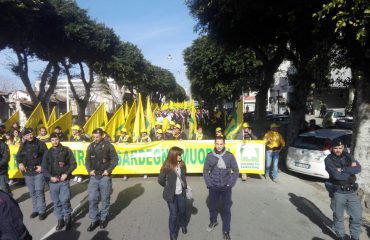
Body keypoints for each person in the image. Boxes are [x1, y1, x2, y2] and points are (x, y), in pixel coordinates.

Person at [324, 140, 362, 240]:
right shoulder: (328, 160)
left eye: (340, 148)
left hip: (352, 192)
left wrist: (343, 170)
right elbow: (337, 176)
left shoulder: (349, 156)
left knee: (357, 216)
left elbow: (358, 169)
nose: (338, 150)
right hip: (338, 192)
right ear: (331, 148)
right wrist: (349, 169)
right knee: (338, 217)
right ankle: (341, 236)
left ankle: (355, 238)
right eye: (335, 148)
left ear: (343, 148)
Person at [203, 136, 239, 240]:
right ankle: (213, 221)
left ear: (224, 144)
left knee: (226, 209)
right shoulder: (210, 156)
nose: (219, 146)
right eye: (217, 144)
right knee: (213, 207)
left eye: (221, 144)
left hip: (226, 187)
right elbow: (205, 171)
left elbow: (236, 170)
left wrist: (230, 184)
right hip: (213, 186)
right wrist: (209, 184)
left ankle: (226, 231)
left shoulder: (229, 156)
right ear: (214, 144)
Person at [42, 133, 77, 231]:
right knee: (56, 202)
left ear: (59, 139)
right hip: (53, 182)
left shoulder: (66, 150)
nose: (55, 142)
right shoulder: (47, 153)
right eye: (52, 140)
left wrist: (66, 173)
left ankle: (68, 218)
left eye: (56, 139)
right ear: (50, 141)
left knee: (65, 200)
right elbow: (44, 168)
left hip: (63, 181)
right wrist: (50, 177)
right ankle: (60, 220)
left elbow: (73, 164)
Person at [85, 128, 118, 232]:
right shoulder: (91, 146)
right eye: (94, 137)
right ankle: (94, 220)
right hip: (94, 177)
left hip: (104, 176)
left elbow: (114, 159)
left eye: (97, 137)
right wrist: (89, 170)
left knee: (105, 199)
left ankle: (103, 218)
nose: (95, 139)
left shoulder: (109, 146)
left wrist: (108, 170)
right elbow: (87, 160)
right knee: (92, 199)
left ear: (102, 136)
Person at [16, 128, 48, 220]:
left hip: (38, 171)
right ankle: (36, 210)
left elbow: (47, 157)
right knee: (32, 192)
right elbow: (18, 156)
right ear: (24, 136)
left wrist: (42, 166)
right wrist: (20, 163)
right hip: (27, 172)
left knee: (39, 191)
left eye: (31, 134)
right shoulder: (23, 145)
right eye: (27, 135)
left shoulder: (41, 144)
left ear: (33, 134)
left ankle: (42, 211)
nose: (29, 136)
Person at [158, 146, 188, 240]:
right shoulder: (167, 165)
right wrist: (168, 187)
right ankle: (172, 234)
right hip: (170, 195)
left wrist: (184, 186)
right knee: (173, 214)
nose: (180, 156)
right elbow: (160, 180)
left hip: (181, 193)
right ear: (173, 155)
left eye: (181, 155)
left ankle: (183, 224)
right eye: (178, 155)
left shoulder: (182, 164)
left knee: (182, 211)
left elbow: (183, 177)